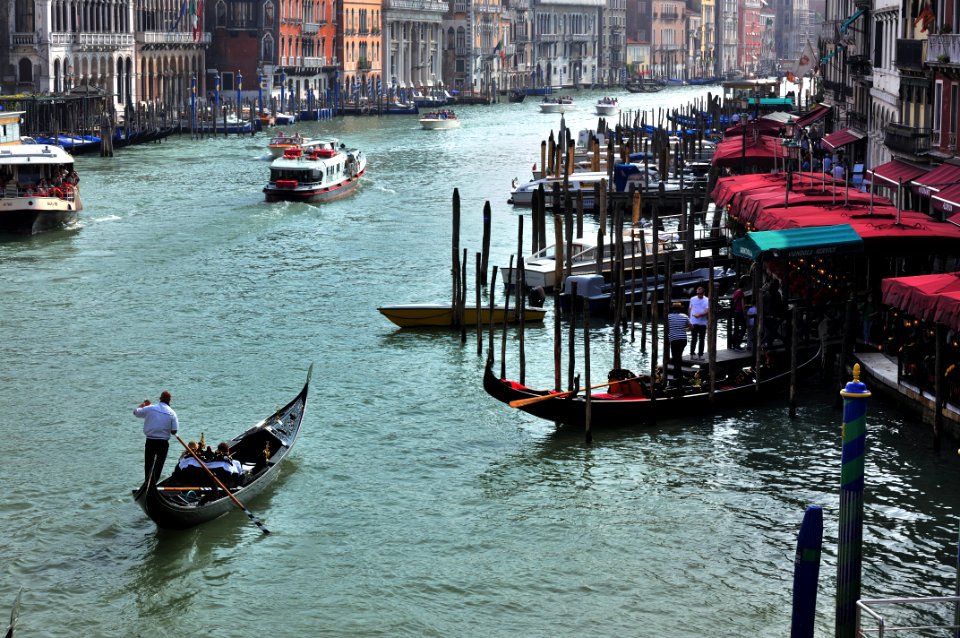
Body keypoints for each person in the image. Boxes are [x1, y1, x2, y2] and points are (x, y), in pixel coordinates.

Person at [133, 390, 179, 484]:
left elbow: (135, 412)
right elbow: (174, 431)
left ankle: (147, 483)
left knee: (148, 464)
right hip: (163, 443)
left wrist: (143, 405)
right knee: (159, 465)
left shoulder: (150, 408)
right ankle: (153, 484)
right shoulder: (172, 413)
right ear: (169, 400)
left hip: (150, 441)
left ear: (160, 398)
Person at [666, 301, 691, 385]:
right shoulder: (685, 316)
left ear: (673, 309)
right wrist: (685, 329)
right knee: (678, 356)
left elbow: (667, 328)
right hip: (683, 339)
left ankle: (677, 375)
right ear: (680, 309)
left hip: (674, 339)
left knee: (675, 356)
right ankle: (678, 374)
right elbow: (691, 327)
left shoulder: (669, 317)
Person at [762, 278, 785, 347]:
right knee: (772, 329)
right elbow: (778, 305)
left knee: (769, 330)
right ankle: (770, 343)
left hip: (766, 315)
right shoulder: (776, 294)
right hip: (773, 315)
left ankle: (768, 343)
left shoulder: (766, 294)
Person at [688, 286, 709, 358]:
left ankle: (700, 354)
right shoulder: (692, 299)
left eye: (700, 293)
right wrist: (689, 320)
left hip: (702, 322)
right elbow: (690, 309)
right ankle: (692, 353)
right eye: (698, 293)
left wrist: (700, 315)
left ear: (703, 293)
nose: (699, 294)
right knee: (694, 338)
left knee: (702, 339)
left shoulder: (707, 300)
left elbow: (707, 311)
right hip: (693, 322)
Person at [730, 278, 747, 350]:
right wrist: (744, 314)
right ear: (744, 286)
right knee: (743, 328)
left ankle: (733, 344)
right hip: (740, 312)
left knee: (736, 329)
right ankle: (738, 344)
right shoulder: (741, 293)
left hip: (735, 312)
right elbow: (743, 305)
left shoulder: (735, 292)